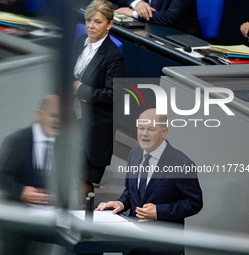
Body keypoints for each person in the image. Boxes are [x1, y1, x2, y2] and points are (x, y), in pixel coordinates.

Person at [96, 108, 203, 253]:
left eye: (151, 129)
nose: (144, 134)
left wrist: (159, 211)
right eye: (141, 128)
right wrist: (120, 203)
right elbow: (131, 191)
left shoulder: (182, 164)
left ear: (164, 132)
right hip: (132, 243)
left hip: (162, 246)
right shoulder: (134, 154)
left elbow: (194, 203)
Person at [0, 95, 61, 255]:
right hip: (15, 225)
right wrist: (21, 191)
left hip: (45, 225)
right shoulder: (18, 140)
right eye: (53, 116)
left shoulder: (64, 144)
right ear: (39, 114)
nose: (57, 121)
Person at [73, 0, 125, 197]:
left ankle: (83, 221)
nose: (90, 26)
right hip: (73, 117)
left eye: (97, 22)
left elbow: (115, 94)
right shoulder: (80, 43)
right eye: (88, 20)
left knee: (83, 179)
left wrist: (83, 92)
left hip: (94, 126)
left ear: (109, 24)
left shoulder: (113, 56)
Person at [111, 0, 202, 37]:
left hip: (179, 35)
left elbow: (169, 17)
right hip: (149, 27)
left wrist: (135, 13)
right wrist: (136, 3)